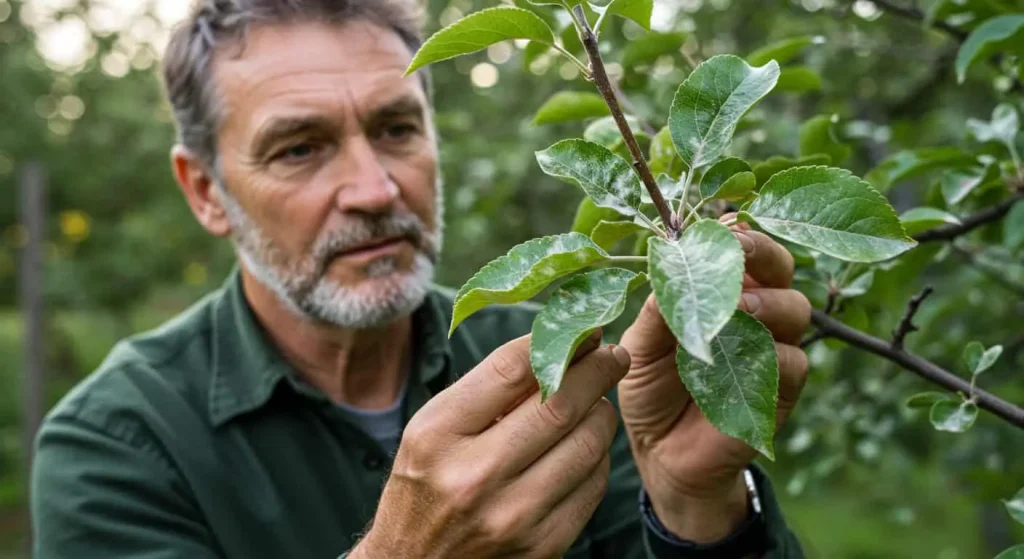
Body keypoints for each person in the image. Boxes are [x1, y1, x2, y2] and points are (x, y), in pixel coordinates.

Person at [30, 1, 812, 557]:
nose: (375, 189)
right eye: (300, 147)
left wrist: (694, 508)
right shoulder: (116, 446)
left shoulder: (571, 358)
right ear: (206, 191)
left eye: (397, 128)